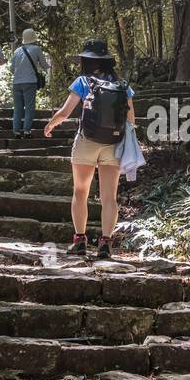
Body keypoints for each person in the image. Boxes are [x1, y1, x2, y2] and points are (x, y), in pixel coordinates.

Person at [44, 39, 134, 259]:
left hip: (87, 142)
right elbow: (131, 118)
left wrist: (50, 125)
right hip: (113, 143)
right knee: (109, 198)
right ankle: (105, 244)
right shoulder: (122, 85)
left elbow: (65, 112)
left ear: (86, 60)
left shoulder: (83, 81)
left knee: (81, 191)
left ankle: (80, 241)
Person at [9, 27, 50, 138]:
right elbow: (44, 65)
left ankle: (16, 132)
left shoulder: (17, 51)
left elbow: (12, 69)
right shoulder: (36, 49)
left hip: (16, 83)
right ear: (33, 38)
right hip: (30, 82)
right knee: (29, 107)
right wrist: (50, 67)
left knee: (18, 108)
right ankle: (27, 131)